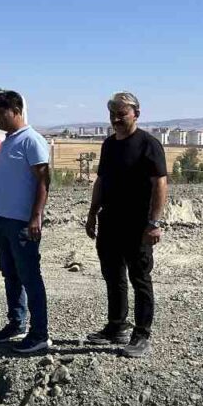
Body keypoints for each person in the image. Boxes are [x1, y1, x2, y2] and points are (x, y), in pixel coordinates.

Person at [84, 92, 168, 359]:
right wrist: (92, 212)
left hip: (138, 225)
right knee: (113, 276)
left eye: (122, 114)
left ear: (136, 114)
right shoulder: (109, 145)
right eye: (113, 114)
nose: (116, 119)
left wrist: (154, 222)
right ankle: (116, 326)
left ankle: (142, 335)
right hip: (110, 222)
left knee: (140, 278)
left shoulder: (148, 145)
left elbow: (160, 184)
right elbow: (101, 180)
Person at [0, 91, 52, 354]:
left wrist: (36, 216)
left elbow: (44, 181)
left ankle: (40, 334)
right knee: (11, 274)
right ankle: (17, 323)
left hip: (22, 223)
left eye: (1, 113)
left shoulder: (32, 141)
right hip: (2, 220)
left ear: (15, 110)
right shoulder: (9, 141)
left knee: (30, 277)